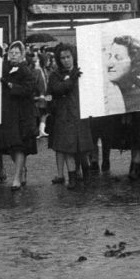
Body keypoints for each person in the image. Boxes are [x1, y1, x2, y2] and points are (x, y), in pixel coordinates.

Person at [47, 43, 93, 189]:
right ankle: (72, 176)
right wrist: (70, 79)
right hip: (64, 115)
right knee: (68, 149)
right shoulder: (55, 75)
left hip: (81, 114)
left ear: (73, 57)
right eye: (62, 58)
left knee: (83, 149)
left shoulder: (83, 72)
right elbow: (56, 89)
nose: (66, 60)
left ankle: (87, 175)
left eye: (68, 57)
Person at [0, 41, 38, 191]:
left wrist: (11, 86)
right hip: (8, 112)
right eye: (11, 53)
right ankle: (20, 170)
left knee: (19, 145)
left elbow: (29, 89)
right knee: (11, 147)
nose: (13, 55)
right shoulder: (4, 68)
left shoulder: (26, 70)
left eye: (16, 53)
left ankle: (16, 178)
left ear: (22, 55)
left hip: (22, 113)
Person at [105, 35, 140, 113]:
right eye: (109, 56)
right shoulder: (106, 89)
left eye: (118, 58)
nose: (109, 64)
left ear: (134, 63)